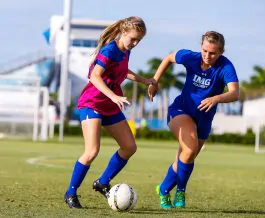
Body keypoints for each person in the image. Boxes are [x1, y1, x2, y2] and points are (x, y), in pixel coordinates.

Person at [64, 16, 153, 209]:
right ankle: (71, 192)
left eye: (139, 40)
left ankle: (103, 182)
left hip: (111, 105)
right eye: (133, 39)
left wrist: (144, 80)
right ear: (123, 32)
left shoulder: (125, 50)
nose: (135, 43)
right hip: (93, 103)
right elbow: (95, 76)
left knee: (129, 147)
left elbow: (123, 71)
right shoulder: (109, 50)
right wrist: (114, 96)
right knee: (92, 151)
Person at [148, 31, 239, 209]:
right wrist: (155, 81)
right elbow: (168, 58)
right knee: (189, 150)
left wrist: (216, 98)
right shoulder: (190, 57)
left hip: (204, 120)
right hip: (181, 110)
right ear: (201, 47)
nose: (207, 56)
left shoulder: (225, 67)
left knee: (184, 159)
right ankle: (180, 191)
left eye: (212, 53)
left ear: (221, 52)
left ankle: (163, 189)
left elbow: (235, 93)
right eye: (205, 50)